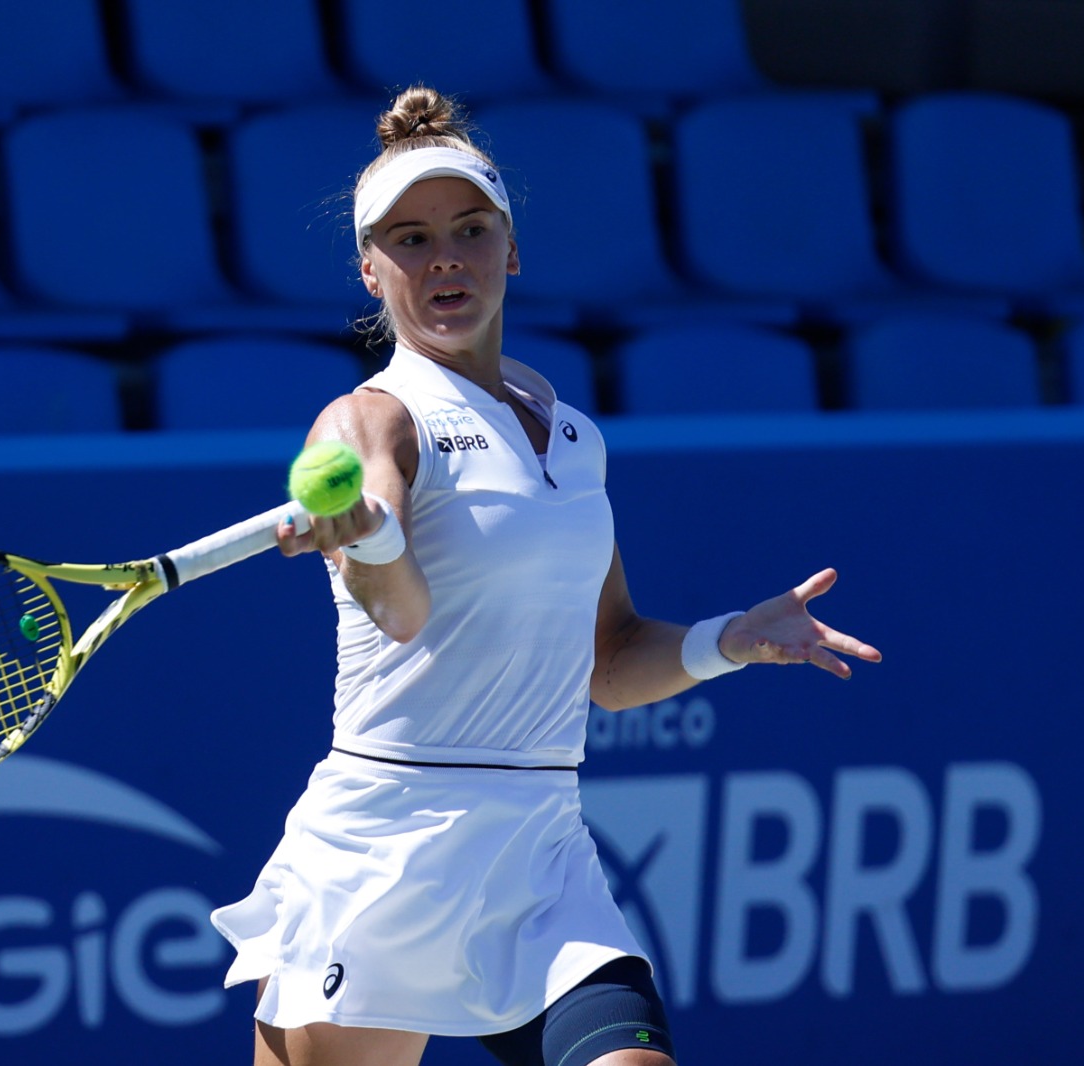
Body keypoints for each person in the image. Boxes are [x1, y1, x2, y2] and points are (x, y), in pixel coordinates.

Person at [209, 86, 882, 1066]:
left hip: (537, 848)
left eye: (469, 230)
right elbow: (398, 610)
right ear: (369, 270)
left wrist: (726, 640)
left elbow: (608, 661)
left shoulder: (572, 438)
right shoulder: (370, 422)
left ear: (510, 250)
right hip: (385, 847)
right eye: (409, 238)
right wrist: (368, 539)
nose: (445, 257)